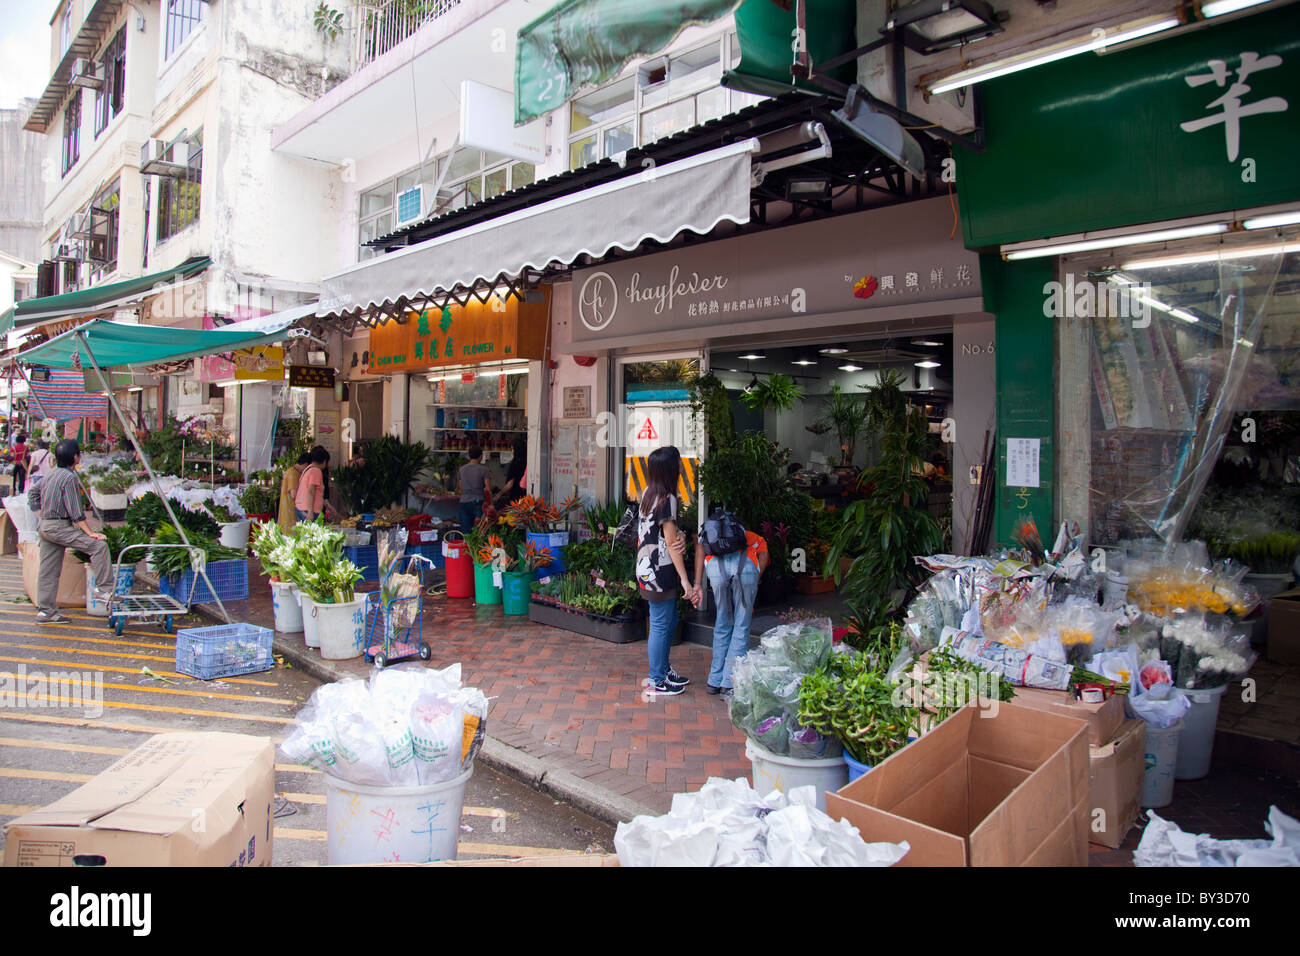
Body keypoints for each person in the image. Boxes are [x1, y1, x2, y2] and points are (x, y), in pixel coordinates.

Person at [27, 439, 112, 625]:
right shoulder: (69, 478)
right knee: (99, 547)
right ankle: (105, 591)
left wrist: (40, 515)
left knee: (48, 571)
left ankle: (45, 612)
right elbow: (76, 513)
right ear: (75, 457)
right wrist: (90, 533)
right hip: (59, 527)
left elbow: (32, 494)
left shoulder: (50, 475)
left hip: (46, 527)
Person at [636, 445, 698, 696]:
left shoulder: (648, 494)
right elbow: (671, 544)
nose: (682, 467)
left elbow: (665, 535)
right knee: (662, 623)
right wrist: (686, 579)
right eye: (678, 464)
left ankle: (662, 669)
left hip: (646, 567)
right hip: (659, 571)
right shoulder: (667, 499)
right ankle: (656, 679)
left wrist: (679, 535)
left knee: (668, 619)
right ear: (671, 470)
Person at [692, 526, 769, 697]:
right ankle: (729, 682)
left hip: (715, 568)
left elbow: (699, 548)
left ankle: (714, 680)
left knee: (722, 622)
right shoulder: (750, 535)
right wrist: (755, 581)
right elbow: (763, 554)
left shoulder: (711, 534)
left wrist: (697, 583)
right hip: (744, 568)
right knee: (741, 624)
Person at [458, 446, 492, 532]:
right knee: (480, 530)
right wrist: (490, 503)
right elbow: (487, 488)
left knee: (466, 531)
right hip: (477, 501)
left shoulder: (462, 469)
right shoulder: (484, 470)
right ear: (481, 456)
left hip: (464, 502)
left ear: (469, 456)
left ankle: (466, 545)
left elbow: (460, 487)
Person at [295, 447, 334, 523]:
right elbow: (311, 491)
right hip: (308, 510)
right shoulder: (316, 471)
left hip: (301, 507)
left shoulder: (307, 469)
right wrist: (310, 512)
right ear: (324, 461)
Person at [493, 437, 527, 510]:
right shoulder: (527, 462)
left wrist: (499, 494)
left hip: (516, 498)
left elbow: (510, 484)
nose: (512, 451)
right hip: (526, 496)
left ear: (517, 450)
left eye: (512, 449)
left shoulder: (515, 463)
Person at [278, 453, 311, 530]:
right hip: (290, 511)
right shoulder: (293, 473)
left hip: (291, 510)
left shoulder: (293, 472)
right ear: (306, 464)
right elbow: (294, 494)